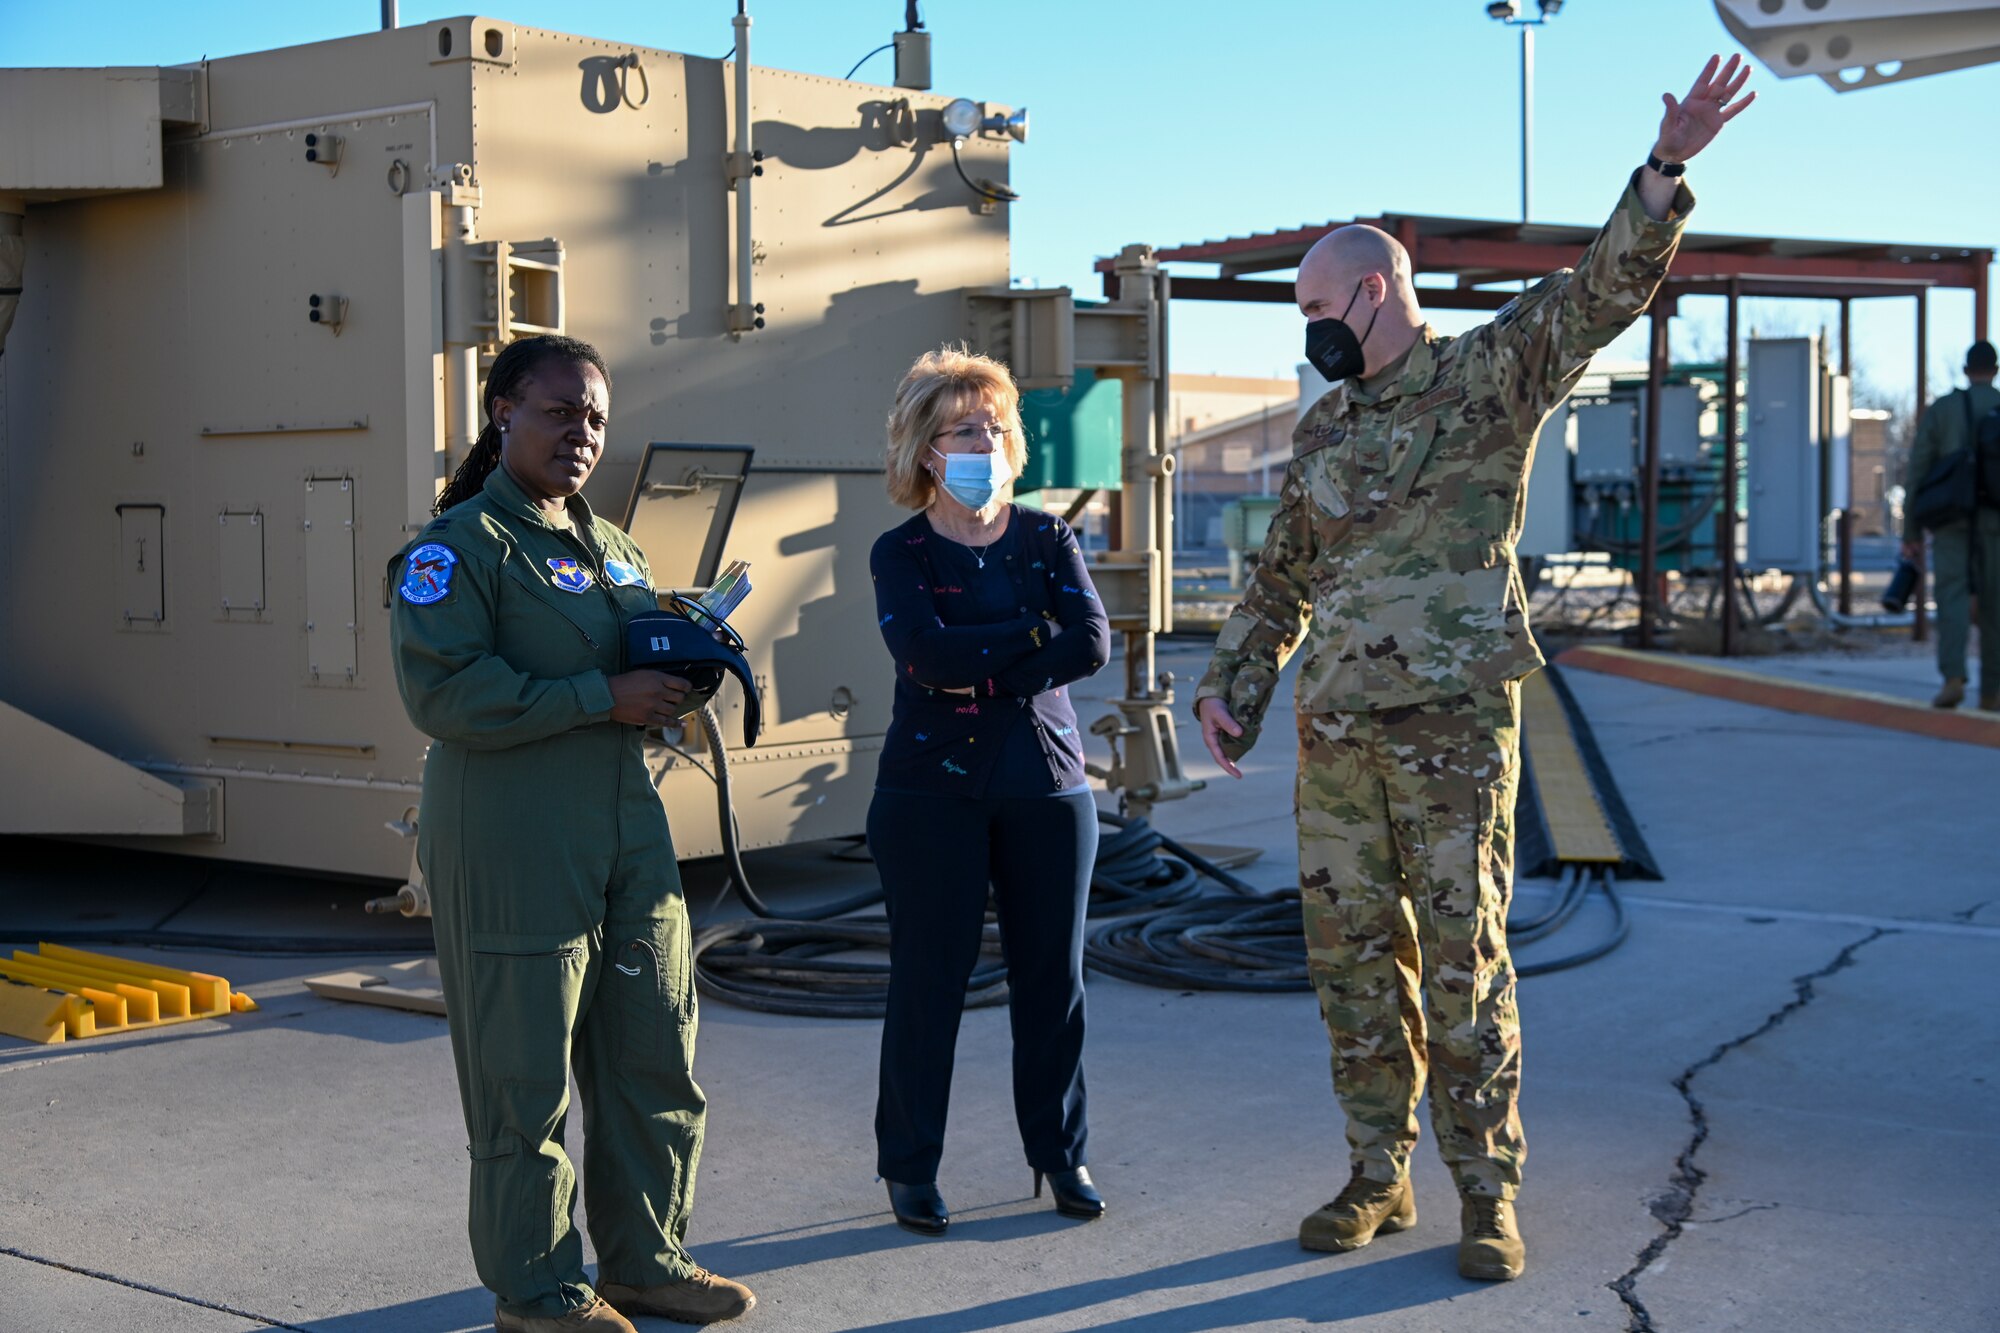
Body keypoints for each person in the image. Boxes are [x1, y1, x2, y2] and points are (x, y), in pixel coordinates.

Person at [1193, 57, 1755, 1282]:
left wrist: (1661, 175)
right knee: (1348, 962)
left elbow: (1599, 296)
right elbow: (1280, 574)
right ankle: (1371, 1174)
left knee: (1462, 965)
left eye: (1315, 307)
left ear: (1375, 289)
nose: (1308, 331)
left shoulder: (1484, 378)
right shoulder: (1324, 431)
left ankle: (1485, 1194)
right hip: (1337, 731)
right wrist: (1228, 687)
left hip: (1451, 724)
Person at [389, 334, 755, 1332]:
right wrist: (604, 694)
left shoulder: (616, 549)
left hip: (626, 835)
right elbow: (445, 691)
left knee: (653, 1054)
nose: (580, 433)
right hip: (514, 842)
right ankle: (538, 1287)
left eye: (594, 415)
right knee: (522, 1075)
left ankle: (645, 1258)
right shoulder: (455, 549)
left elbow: (632, 668)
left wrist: (679, 677)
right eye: (558, 411)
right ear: (503, 411)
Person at [867, 347, 1112, 1235]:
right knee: (928, 983)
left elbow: (1089, 644)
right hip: (932, 792)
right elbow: (924, 655)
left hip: (1047, 785)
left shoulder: (1050, 537)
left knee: (1055, 983)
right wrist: (1026, 634)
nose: (988, 440)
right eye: (967, 428)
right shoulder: (900, 551)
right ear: (927, 450)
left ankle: (1059, 1152)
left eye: (998, 426)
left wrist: (990, 665)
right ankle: (910, 1168)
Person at [1902, 339, 2000, 711]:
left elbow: (1918, 471)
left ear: (1965, 369)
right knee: (1996, 603)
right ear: (1995, 370)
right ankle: (1993, 689)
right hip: (1995, 521)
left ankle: (1953, 677)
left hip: (1950, 519)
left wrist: (1911, 530)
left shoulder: (1943, 410)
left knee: (1952, 598)